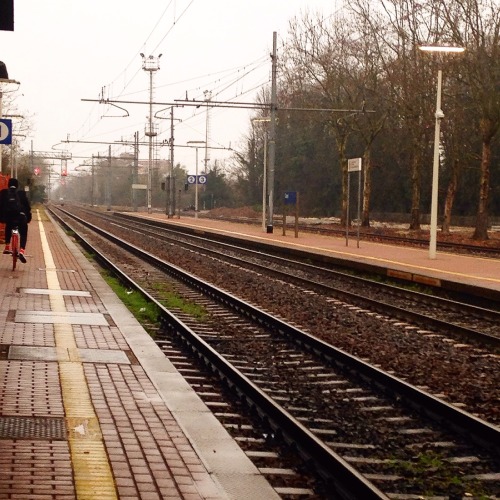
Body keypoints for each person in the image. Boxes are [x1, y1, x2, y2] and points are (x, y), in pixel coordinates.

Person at [0, 178, 32, 263]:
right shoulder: (21, 194)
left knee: (8, 226)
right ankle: (21, 250)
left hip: (9, 217)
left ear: (8, 185)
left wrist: (2, 218)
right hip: (21, 217)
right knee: (23, 233)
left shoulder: (4, 193)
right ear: (17, 185)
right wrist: (28, 218)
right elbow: (28, 208)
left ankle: (7, 246)